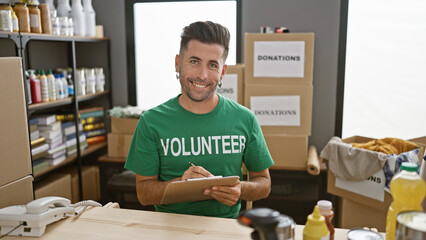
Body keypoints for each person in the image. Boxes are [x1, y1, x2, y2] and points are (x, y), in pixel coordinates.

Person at [124, 21, 274, 218]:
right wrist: (180, 185)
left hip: (225, 230)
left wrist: (240, 189)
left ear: (222, 72)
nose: (202, 75)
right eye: (194, 61)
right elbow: (144, 194)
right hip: (169, 230)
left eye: (212, 65)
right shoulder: (151, 122)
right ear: (178, 63)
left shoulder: (245, 119)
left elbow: (264, 183)